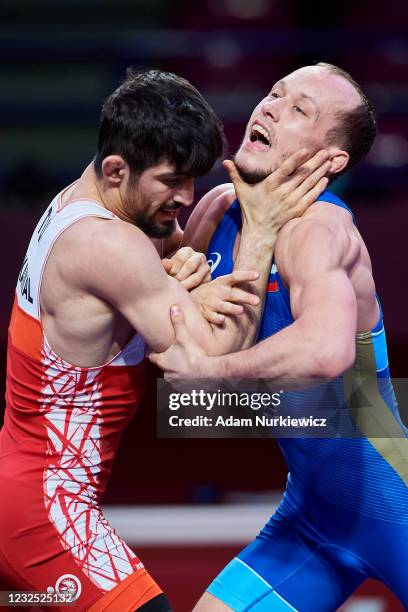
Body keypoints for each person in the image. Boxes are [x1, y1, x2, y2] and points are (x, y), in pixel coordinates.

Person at [0, 69, 328, 612]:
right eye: (172, 181)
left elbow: (169, 255)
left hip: (25, 484)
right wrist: (262, 232)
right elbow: (207, 367)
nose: (184, 198)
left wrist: (178, 279)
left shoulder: (83, 203)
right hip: (44, 507)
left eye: (193, 181)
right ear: (115, 169)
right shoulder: (107, 245)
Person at [150, 63, 408, 610]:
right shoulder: (217, 211)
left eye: (299, 110)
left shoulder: (320, 229)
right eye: (274, 93)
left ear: (330, 160)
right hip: (314, 518)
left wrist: (210, 371)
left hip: (397, 503)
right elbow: (190, 385)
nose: (269, 107)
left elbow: (325, 350)